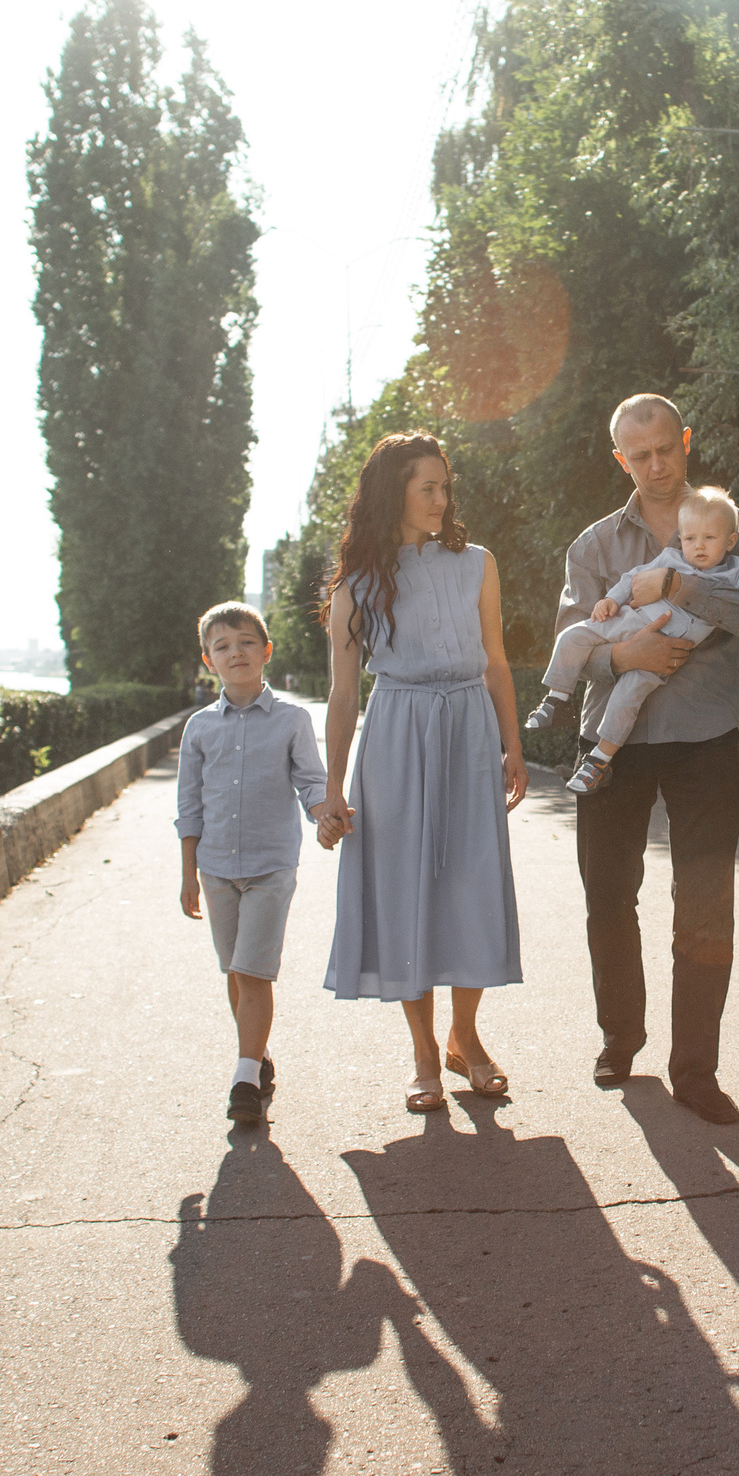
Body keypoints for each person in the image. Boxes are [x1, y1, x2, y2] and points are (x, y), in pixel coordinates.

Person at [557, 395, 739, 1125]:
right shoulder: (592, 547)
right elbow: (571, 648)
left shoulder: (732, 525)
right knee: (607, 895)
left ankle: (696, 1070)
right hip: (611, 743)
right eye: (639, 455)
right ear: (620, 458)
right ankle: (621, 1037)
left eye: (666, 449)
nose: (656, 467)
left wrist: (681, 584)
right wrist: (629, 652)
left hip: (705, 733)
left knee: (707, 900)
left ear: (685, 442)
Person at [318, 431, 528, 1113]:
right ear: (394, 493)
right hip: (398, 730)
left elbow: (496, 659)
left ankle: (465, 1037)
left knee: (471, 885)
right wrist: (333, 787)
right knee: (405, 889)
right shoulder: (359, 582)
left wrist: (512, 744)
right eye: (426, 487)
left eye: (445, 486)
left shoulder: (478, 564)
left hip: (469, 727)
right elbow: (345, 695)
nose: (441, 499)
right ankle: (422, 1051)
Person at [525, 486, 739, 796]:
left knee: (625, 698)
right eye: (690, 538)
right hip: (628, 623)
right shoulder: (671, 557)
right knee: (573, 635)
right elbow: (633, 577)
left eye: (709, 538)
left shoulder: (734, 573)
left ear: (730, 542)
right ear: (681, 538)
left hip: (669, 656)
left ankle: (600, 760)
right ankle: (558, 698)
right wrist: (609, 600)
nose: (698, 547)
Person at [175, 601, 330, 1127]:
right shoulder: (198, 729)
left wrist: (324, 814)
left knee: (252, 969)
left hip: (270, 866)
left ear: (265, 652)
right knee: (235, 974)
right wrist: (187, 873)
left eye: (245, 642)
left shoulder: (292, 720)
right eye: (222, 646)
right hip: (216, 868)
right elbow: (189, 806)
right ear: (208, 660)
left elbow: (311, 781)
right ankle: (257, 1057)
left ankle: (243, 1079)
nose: (235, 652)